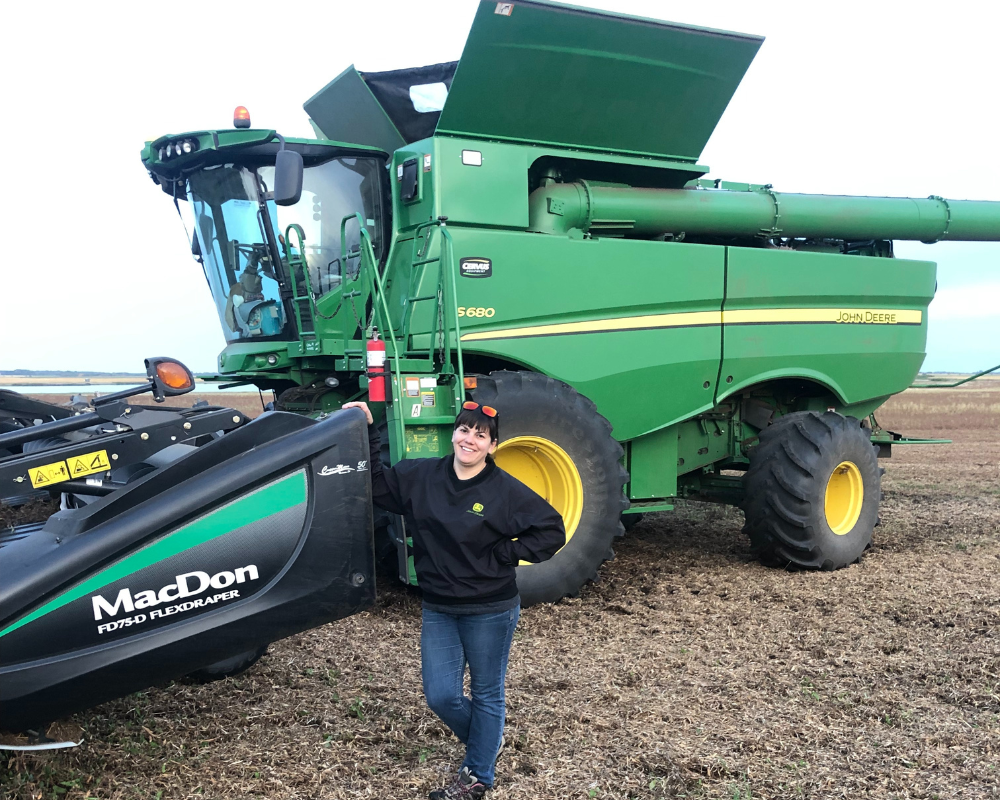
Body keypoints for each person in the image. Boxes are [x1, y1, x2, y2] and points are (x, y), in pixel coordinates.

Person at [342, 400, 565, 798]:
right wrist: (367, 429)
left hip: (490, 608)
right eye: (465, 430)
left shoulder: (505, 492)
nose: (470, 440)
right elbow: (376, 486)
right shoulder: (421, 476)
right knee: (441, 695)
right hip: (440, 604)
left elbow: (551, 531)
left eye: (481, 435)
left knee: (486, 692)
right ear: (454, 433)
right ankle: (486, 742)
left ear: (493, 446)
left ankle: (478, 775)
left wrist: (504, 554)